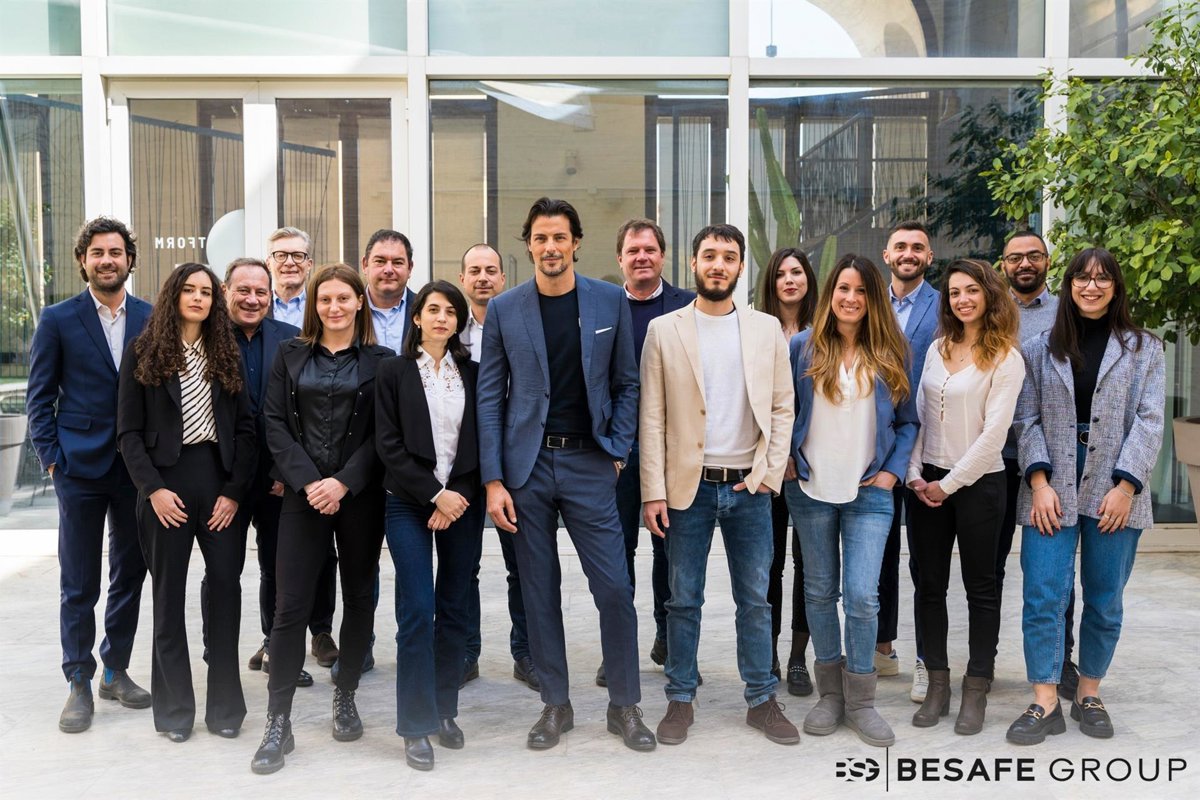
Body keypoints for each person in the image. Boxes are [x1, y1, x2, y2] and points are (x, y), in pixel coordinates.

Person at [477, 197, 654, 752]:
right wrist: (493, 480)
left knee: (614, 588)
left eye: (559, 237)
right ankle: (556, 704)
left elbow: (627, 383)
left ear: (576, 242)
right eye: (540, 238)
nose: (550, 247)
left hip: (589, 463)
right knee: (538, 591)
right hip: (526, 470)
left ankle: (624, 705)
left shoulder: (609, 300)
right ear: (528, 244)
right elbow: (489, 398)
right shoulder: (505, 309)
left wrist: (617, 450)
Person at [640, 224, 797, 746]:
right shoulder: (664, 330)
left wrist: (768, 475)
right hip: (687, 489)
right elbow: (652, 417)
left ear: (740, 267)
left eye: (728, 257)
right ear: (693, 264)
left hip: (748, 488)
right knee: (683, 600)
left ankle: (762, 700)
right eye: (709, 255)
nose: (718, 264)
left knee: (755, 600)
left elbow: (782, 407)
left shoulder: (765, 329)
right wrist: (653, 490)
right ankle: (680, 698)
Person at [1006, 248, 1164, 745]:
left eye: (1102, 279)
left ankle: (1089, 694)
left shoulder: (1145, 349)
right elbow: (1025, 418)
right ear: (1069, 284)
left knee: (1104, 599)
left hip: (1116, 487)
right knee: (1043, 596)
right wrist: (1039, 483)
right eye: (1082, 278)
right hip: (1051, 485)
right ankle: (1045, 700)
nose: (1091, 286)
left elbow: (1150, 421)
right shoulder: (1038, 348)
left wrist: (1126, 486)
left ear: (1116, 287)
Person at [252, 263, 393, 774]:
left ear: (359, 303)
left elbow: (384, 434)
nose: (334, 307)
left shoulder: (382, 361)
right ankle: (278, 722)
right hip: (302, 496)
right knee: (290, 607)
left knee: (357, 598)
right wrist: (311, 482)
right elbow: (273, 422)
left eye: (343, 298)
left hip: (360, 497)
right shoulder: (289, 354)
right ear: (314, 305)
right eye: (325, 299)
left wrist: (344, 482)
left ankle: (345, 693)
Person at [116, 262, 256, 741]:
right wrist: (152, 489)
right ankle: (175, 713)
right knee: (168, 599)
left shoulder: (226, 352)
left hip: (219, 483)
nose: (198, 298)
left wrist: (234, 493)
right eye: (189, 290)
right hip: (165, 487)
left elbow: (246, 430)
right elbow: (128, 434)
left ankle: (225, 711)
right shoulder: (143, 351)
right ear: (173, 295)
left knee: (226, 593)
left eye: (206, 292)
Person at [783, 253, 917, 748]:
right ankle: (830, 696)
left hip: (869, 492)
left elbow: (908, 421)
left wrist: (891, 472)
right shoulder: (803, 346)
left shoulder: (892, 349)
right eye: (843, 288)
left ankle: (861, 701)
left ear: (873, 297)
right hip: (810, 489)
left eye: (861, 290)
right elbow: (783, 410)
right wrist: (787, 457)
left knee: (862, 596)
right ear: (830, 293)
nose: (851, 298)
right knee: (819, 592)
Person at [27, 217, 153, 733]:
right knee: (78, 579)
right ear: (83, 260)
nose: (107, 260)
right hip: (78, 466)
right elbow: (39, 397)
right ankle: (78, 679)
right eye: (97, 252)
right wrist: (52, 459)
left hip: (136, 468)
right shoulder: (58, 319)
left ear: (129, 260)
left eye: (116, 252)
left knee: (130, 571)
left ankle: (114, 669)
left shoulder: (150, 317)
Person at [905, 259, 1023, 735]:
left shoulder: (1006, 358)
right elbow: (921, 416)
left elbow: (994, 437)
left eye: (971, 290)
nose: (962, 299)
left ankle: (976, 687)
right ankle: (937, 684)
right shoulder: (937, 349)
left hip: (980, 486)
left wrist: (948, 484)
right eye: (954, 292)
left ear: (989, 294)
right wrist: (915, 474)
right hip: (926, 484)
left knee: (981, 588)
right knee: (929, 586)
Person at [376, 281, 485, 771]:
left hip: (462, 500)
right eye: (433, 310)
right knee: (418, 609)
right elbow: (388, 444)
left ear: (459, 322)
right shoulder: (392, 371)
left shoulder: (473, 373)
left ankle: (444, 710)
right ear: (417, 317)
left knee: (455, 607)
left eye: (451, 312)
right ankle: (415, 725)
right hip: (408, 502)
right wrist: (433, 494)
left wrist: (454, 494)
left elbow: (480, 440)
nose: (442, 318)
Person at [210, 258, 312, 686]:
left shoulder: (292, 339)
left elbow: (302, 413)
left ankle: (277, 649)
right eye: (243, 290)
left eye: (260, 292)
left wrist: (287, 472)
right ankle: (218, 655)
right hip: (222, 480)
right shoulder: (206, 338)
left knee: (279, 569)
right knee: (223, 570)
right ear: (225, 292)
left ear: (271, 296)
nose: (252, 299)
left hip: (277, 478)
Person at [608, 218, 694, 686]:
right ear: (620, 259)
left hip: (672, 449)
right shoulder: (602, 306)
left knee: (671, 551)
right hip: (617, 452)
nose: (642, 257)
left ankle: (668, 638)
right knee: (617, 553)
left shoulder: (688, 307)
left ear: (663, 256)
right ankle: (619, 650)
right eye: (633, 250)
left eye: (649, 249)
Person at [996, 230, 1078, 698]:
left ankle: (1061, 662)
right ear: (1003, 265)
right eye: (1015, 258)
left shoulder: (1067, 312)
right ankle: (983, 665)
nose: (1024, 264)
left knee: (1054, 569)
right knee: (990, 568)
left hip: (1051, 461)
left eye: (1034, 256)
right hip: (993, 458)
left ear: (1047, 261)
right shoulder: (992, 310)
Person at [457, 244, 539, 691]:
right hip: (460, 464)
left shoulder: (521, 322)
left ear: (504, 279)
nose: (483, 277)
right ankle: (465, 653)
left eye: (491, 270)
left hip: (513, 460)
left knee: (522, 564)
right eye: (475, 270)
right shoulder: (450, 327)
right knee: (463, 564)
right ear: (463, 279)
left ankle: (525, 653)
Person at [264, 226, 340, 670]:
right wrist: (282, 469)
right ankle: (273, 638)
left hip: (318, 458)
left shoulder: (324, 307)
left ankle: (321, 630)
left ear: (310, 263)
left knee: (323, 552)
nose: (290, 262)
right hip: (272, 455)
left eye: (298, 255)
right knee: (275, 557)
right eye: (281, 255)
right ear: (270, 261)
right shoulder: (256, 303)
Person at [878, 220, 940, 702]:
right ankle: (882, 647)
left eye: (917, 247)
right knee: (877, 554)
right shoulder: (867, 301)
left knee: (924, 561)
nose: (908, 253)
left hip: (928, 447)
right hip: (876, 446)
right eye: (900, 246)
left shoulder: (945, 305)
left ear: (929, 257)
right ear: (887, 255)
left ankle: (926, 659)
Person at [756, 246, 818, 696]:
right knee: (770, 563)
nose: (790, 280)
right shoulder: (756, 330)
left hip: (814, 464)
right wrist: (778, 456)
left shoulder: (825, 330)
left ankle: (799, 657)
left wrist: (797, 451)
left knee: (809, 564)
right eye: (781, 274)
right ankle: (770, 655)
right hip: (767, 465)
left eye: (797, 272)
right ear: (771, 282)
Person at [362, 228, 418, 352]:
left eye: (397, 262)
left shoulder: (424, 309)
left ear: (410, 268)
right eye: (380, 261)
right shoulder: (348, 310)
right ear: (365, 265)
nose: (388, 270)